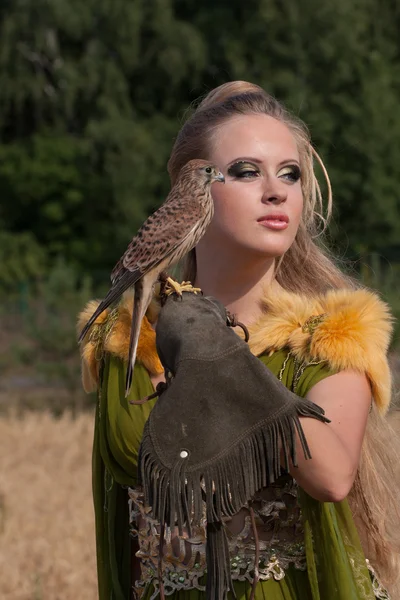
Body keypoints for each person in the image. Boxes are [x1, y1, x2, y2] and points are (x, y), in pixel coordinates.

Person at [78, 81, 400, 600]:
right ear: (196, 189)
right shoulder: (128, 341)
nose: (276, 190)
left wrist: (222, 357)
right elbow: (122, 538)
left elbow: (332, 475)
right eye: (247, 172)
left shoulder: (328, 338)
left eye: (289, 175)